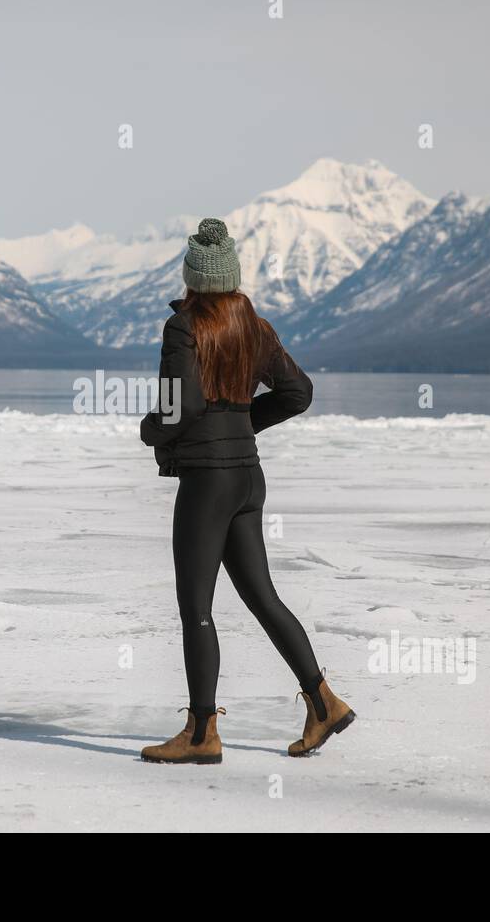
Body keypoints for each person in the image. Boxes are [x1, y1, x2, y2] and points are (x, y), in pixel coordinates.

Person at [138, 218, 356, 764]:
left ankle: (201, 733)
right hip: (247, 479)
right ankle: (322, 701)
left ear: (191, 277)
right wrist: (239, 424)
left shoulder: (184, 327)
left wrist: (149, 431)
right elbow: (297, 392)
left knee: (197, 609)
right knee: (263, 597)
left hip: (209, 483)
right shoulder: (254, 327)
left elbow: (179, 407)